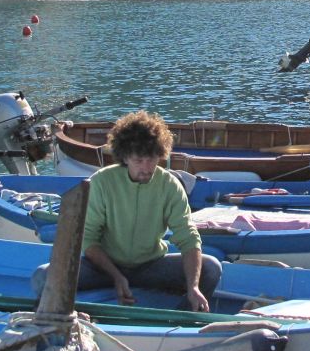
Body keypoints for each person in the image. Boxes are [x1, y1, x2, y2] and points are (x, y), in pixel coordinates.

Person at [61, 110, 220, 311]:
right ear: (125, 157)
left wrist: (193, 287)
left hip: (150, 265)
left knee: (211, 268)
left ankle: (178, 319)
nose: (146, 167)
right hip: (104, 267)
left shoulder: (169, 185)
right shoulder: (101, 182)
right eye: (139, 160)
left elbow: (188, 237)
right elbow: (88, 239)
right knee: (45, 275)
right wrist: (117, 277)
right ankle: (77, 318)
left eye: (152, 159)